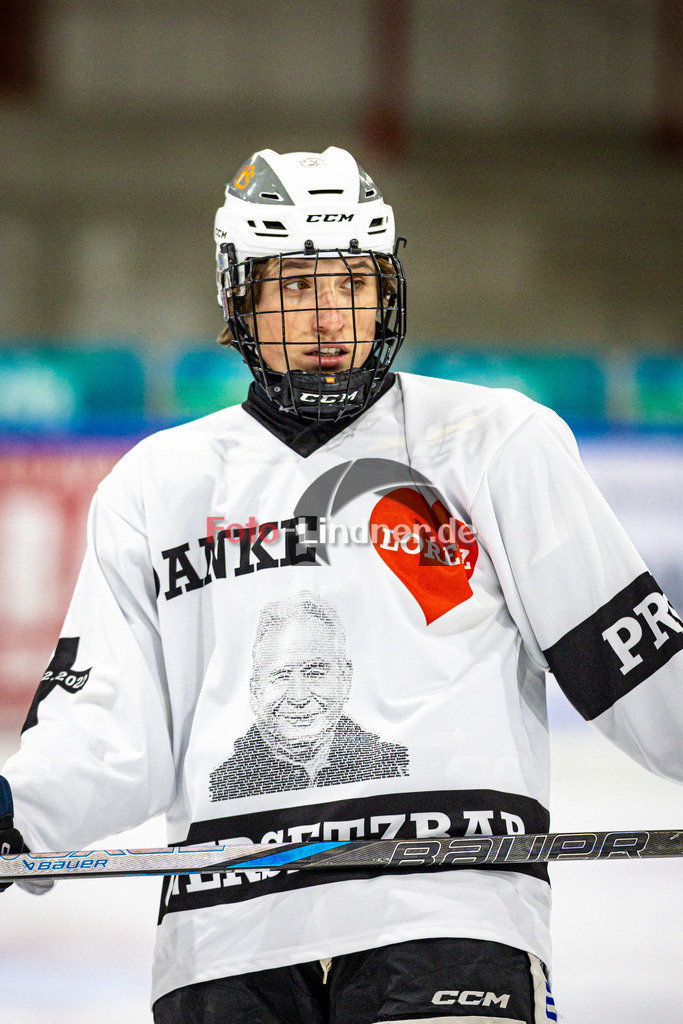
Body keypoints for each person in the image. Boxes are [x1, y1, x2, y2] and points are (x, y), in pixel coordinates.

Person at [2, 145, 683, 1023]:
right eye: (295, 288)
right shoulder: (155, 485)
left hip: (448, 910)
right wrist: (16, 815)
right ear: (237, 296)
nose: (330, 316)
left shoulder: (492, 442)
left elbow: (634, 662)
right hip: (225, 937)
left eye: (353, 285)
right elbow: (109, 730)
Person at [209, 591, 409, 800]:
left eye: (314, 673)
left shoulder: (392, 765)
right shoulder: (222, 786)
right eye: (282, 676)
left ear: (345, 678)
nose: (299, 697)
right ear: (255, 690)